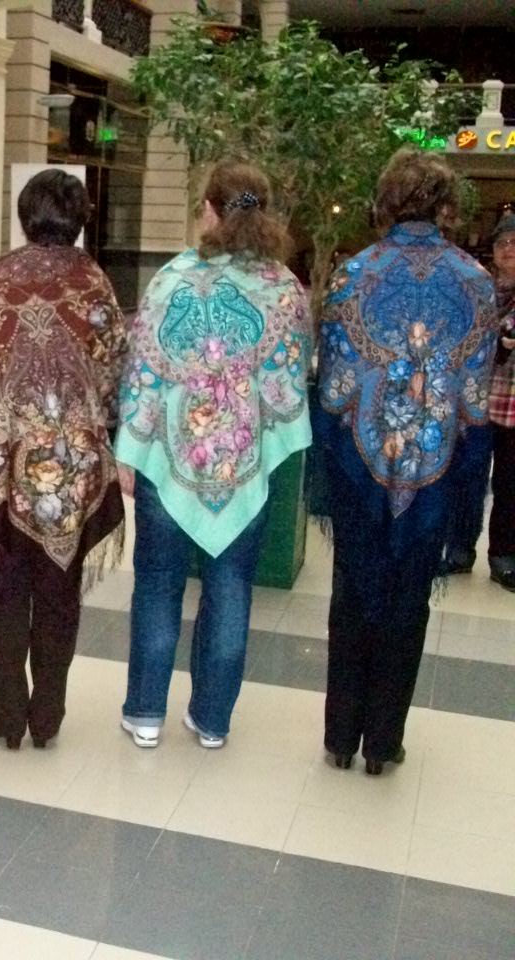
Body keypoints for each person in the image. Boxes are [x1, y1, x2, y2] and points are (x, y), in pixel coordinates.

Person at [115, 161, 312, 751]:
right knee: (231, 589)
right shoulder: (284, 287)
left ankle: (146, 713)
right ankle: (212, 720)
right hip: (243, 465)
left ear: (209, 210)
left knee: (158, 585)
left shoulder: (172, 279)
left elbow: (143, 371)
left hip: (169, 459)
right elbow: (288, 382)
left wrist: (130, 449)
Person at [313, 149, 497, 775]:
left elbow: (334, 392)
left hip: (360, 465)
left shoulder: (352, 275)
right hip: (436, 467)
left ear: (387, 201)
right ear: (444, 205)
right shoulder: (476, 282)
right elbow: (475, 402)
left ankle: (341, 736)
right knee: (409, 599)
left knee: (352, 591)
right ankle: (383, 743)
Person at [0, 168, 128, 750]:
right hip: (70, 468)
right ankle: (47, 715)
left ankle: (6, 714)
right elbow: (112, 374)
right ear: (77, 220)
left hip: (0, 465)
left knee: (2, 588)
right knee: (58, 588)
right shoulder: (95, 283)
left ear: (26, 216)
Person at [441, 211, 515, 591]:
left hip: (511, 405)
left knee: (510, 484)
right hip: (474, 400)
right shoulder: (479, 287)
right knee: (467, 478)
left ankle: (504, 555)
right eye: (502, 243)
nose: (508, 249)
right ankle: (459, 550)